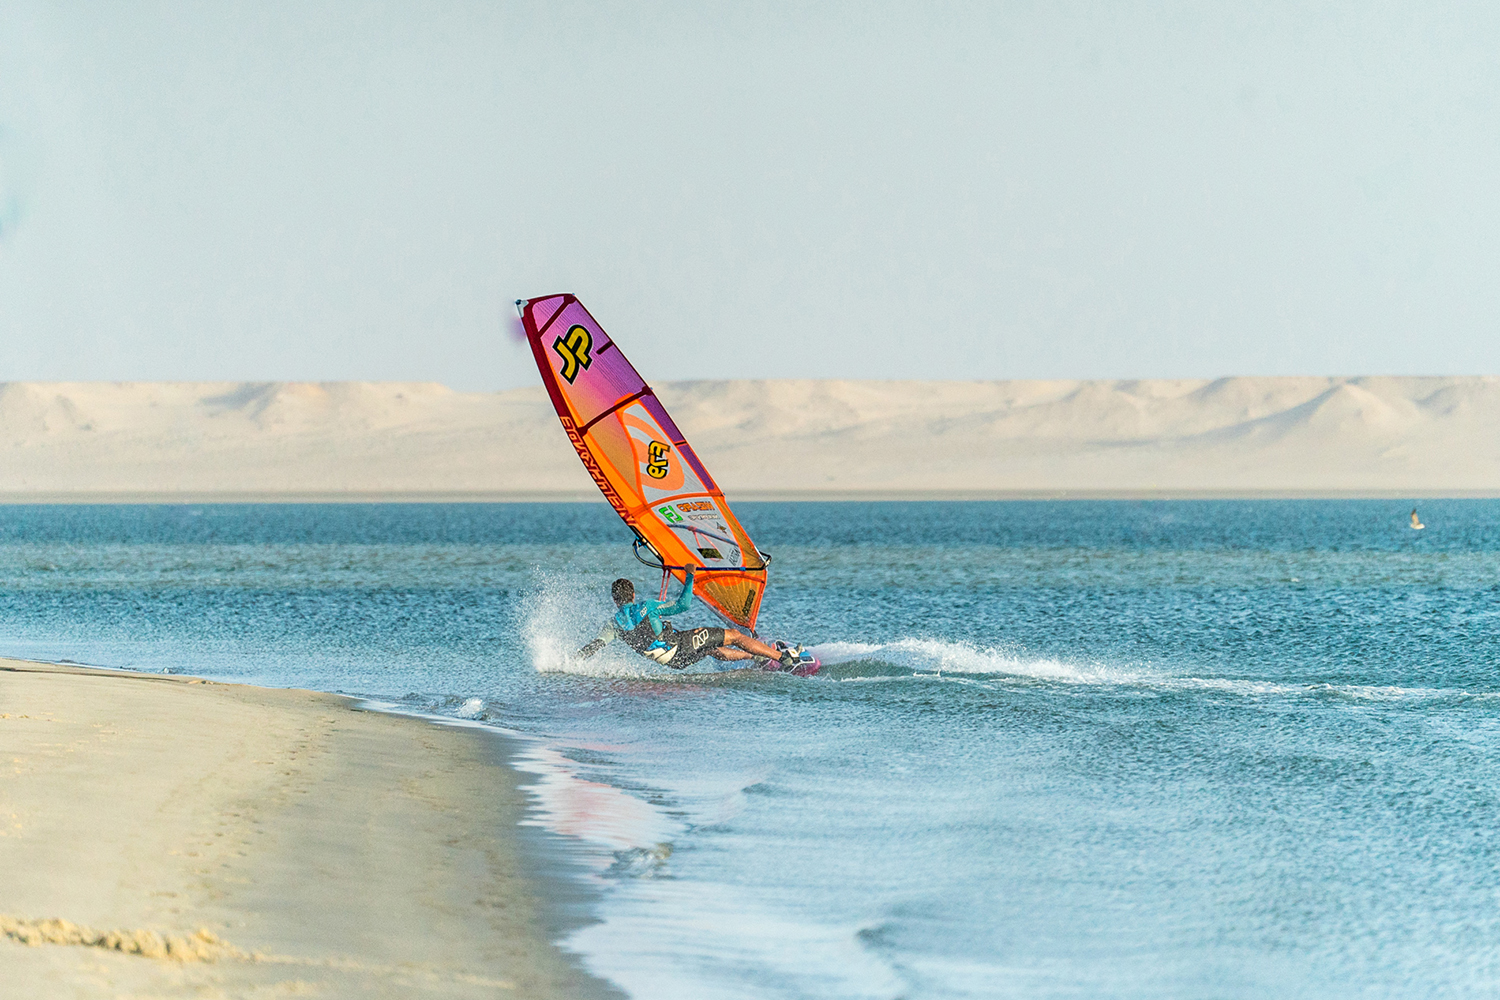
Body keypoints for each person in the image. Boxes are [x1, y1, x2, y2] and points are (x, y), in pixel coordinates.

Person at [573, 567, 800, 669]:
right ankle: (783, 657)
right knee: (734, 635)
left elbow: (595, 645)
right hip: (679, 647)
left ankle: (756, 658)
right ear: (633, 594)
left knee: (711, 648)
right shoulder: (647, 606)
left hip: (673, 663)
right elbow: (684, 604)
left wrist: (572, 660)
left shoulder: (613, 625)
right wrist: (690, 576)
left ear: (615, 600)